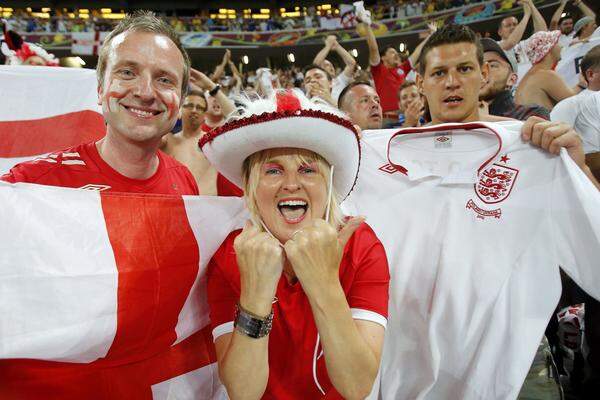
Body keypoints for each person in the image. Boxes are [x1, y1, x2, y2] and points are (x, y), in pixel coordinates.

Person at [200, 89, 390, 399]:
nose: (291, 183)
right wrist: (256, 293)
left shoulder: (362, 246)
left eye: (307, 170)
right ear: (250, 187)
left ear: (327, 184)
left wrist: (323, 281)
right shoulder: (229, 256)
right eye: (273, 170)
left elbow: (357, 386)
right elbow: (242, 392)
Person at [1, 11, 198, 196]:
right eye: (127, 73)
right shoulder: (28, 184)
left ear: (180, 102)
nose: (145, 93)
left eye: (164, 80)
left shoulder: (184, 181)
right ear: (100, 89)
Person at [359, 4, 435, 120]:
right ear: (383, 58)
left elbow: (416, 53)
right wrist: (367, 25)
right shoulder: (379, 70)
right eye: (392, 52)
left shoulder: (402, 69)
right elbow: (373, 48)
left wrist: (430, 36)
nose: (396, 55)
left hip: (408, 115)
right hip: (388, 119)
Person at [479, 38, 550, 120]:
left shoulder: (532, 113)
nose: (483, 72)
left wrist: (481, 120)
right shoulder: (462, 117)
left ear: (511, 79)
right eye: (478, 66)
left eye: (492, 65)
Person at [515, 30, 581, 111]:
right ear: (549, 49)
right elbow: (575, 102)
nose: (561, 46)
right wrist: (583, 82)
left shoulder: (535, 73)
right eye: (557, 43)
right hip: (540, 121)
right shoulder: (545, 75)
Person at [313, 34, 357, 103]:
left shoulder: (340, 80)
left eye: (331, 65)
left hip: (340, 112)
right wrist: (328, 46)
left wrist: (337, 46)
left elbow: (351, 63)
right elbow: (315, 65)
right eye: (326, 65)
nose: (331, 67)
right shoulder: (317, 82)